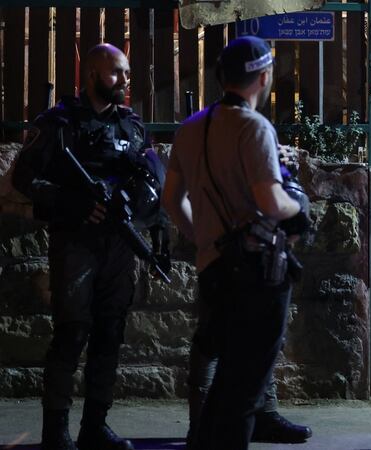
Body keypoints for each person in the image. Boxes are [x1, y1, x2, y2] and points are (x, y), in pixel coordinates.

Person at [12, 43, 168, 450]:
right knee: (72, 333)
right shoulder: (58, 124)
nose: (125, 80)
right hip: (76, 243)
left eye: (127, 73)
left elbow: (152, 183)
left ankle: (95, 426)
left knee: (110, 334)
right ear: (94, 74)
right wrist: (72, 202)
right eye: (117, 72)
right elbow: (24, 179)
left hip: (119, 246)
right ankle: (56, 432)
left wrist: (156, 229)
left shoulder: (132, 127)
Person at [162, 36, 310, 450]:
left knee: (225, 380)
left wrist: (204, 240)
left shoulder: (190, 128)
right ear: (263, 78)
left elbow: (172, 200)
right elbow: (270, 201)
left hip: (213, 267)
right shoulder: (254, 126)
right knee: (244, 390)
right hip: (258, 273)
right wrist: (297, 204)